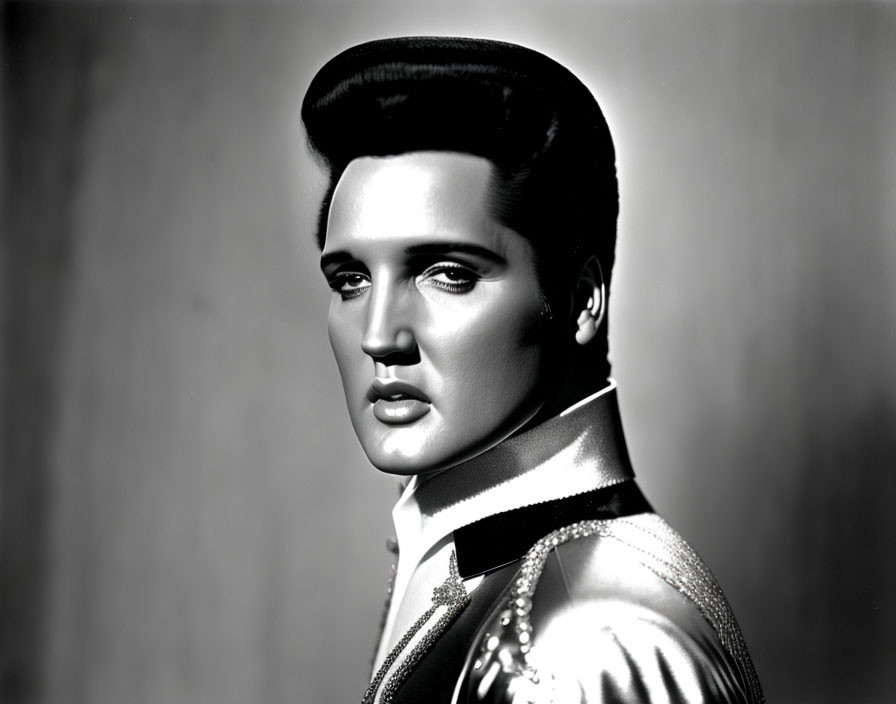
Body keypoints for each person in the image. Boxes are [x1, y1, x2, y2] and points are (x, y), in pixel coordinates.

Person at [302, 36, 764, 704]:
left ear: (581, 301)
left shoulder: (585, 644)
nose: (379, 335)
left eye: (448, 274)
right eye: (349, 280)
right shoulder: (492, 575)